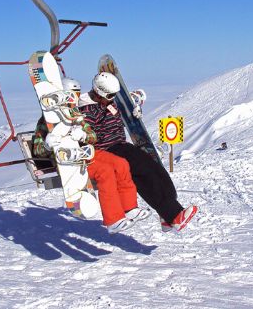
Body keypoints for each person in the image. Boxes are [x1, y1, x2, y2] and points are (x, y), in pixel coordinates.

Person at [78, 72, 198, 232]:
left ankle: (168, 215)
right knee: (145, 171)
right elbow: (89, 136)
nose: (113, 98)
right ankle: (172, 214)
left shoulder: (107, 102)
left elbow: (120, 115)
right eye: (110, 95)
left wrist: (134, 112)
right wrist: (104, 111)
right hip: (106, 151)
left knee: (155, 168)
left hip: (121, 145)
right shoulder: (86, 109)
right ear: (100, 93)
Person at [32, 77, 150, 234]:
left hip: (86, 153)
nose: (73, 100)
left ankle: (130, 208)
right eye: (70, 96)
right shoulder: (47, 121)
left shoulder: (75, 115)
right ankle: (113, 219)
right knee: (105, 171)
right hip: (69, 162)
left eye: (75, 95)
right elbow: (38, 150)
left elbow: (92, 136)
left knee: (121, 164)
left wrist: (83, 136)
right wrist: (48, 144)